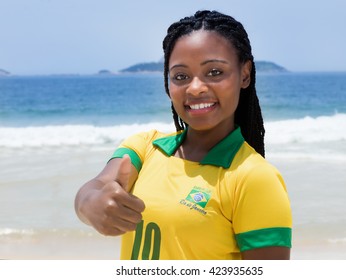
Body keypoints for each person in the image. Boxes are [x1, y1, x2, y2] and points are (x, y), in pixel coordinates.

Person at [75, 10, 292, 260]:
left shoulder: (255, 178)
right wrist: (92, 203)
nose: (196, 88)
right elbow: (95, 186)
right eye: (181, 76)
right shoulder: (145, 148)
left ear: (244, 74)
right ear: (168, 84)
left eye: (214, 72)